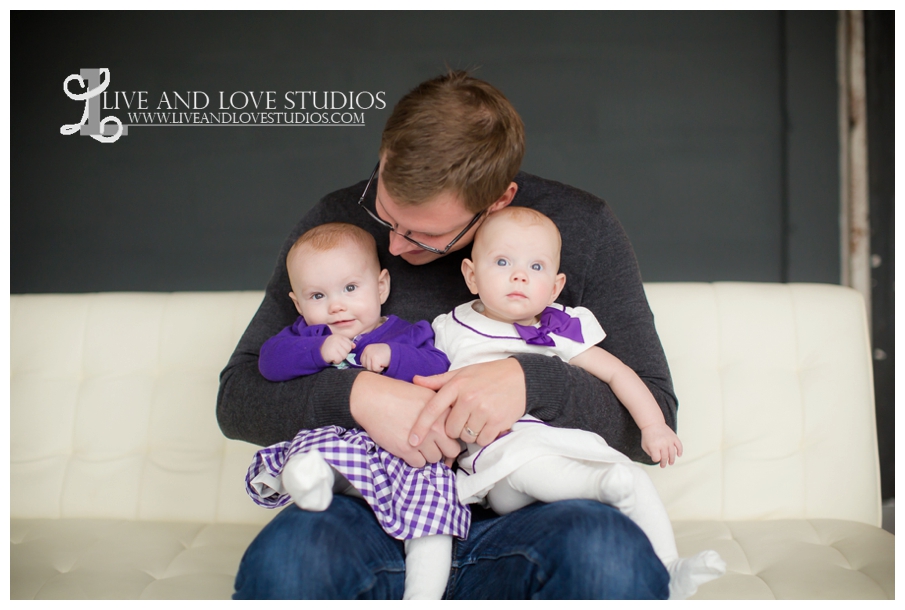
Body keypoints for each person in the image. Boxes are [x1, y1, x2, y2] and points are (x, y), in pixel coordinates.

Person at [219, 70, 676, 599]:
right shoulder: (335, 224)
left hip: (535, 509)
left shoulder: (581, 228)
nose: (391, 247)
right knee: (289, 561)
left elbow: (655, 414)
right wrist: (356, 395)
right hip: (377, 508)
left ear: (499, 200)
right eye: (385, 213)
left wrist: (531, 383)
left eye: (427, 236)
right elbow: (237, 399)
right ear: (385, 157)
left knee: (609, 557)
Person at [431, 206, 725, 600]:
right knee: (544, 466)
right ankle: (597, 485)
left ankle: (669, 570)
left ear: (554, 287)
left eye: (536, 267)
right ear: (471, 274)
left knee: (633, 477)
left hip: (562, 446)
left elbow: (618, 372)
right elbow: (423, 383)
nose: (519, 275)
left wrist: (653, 426)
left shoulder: (560, 330)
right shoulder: (450, 328)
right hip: (502, 462)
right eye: (502, 262)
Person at [243, 222, 465, 600]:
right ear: (297, 303)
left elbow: (437, 365)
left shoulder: (404, 334)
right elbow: (269, 362)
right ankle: (309, 481)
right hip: (342, 453)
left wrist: (395, 358)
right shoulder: (306, 336)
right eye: (317, 296)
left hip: (405, 460)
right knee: (317, 450)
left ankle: (423, 596)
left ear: (381, 287)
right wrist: (316, 352)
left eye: (350, 288)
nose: (336, 306)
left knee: (435, 520)